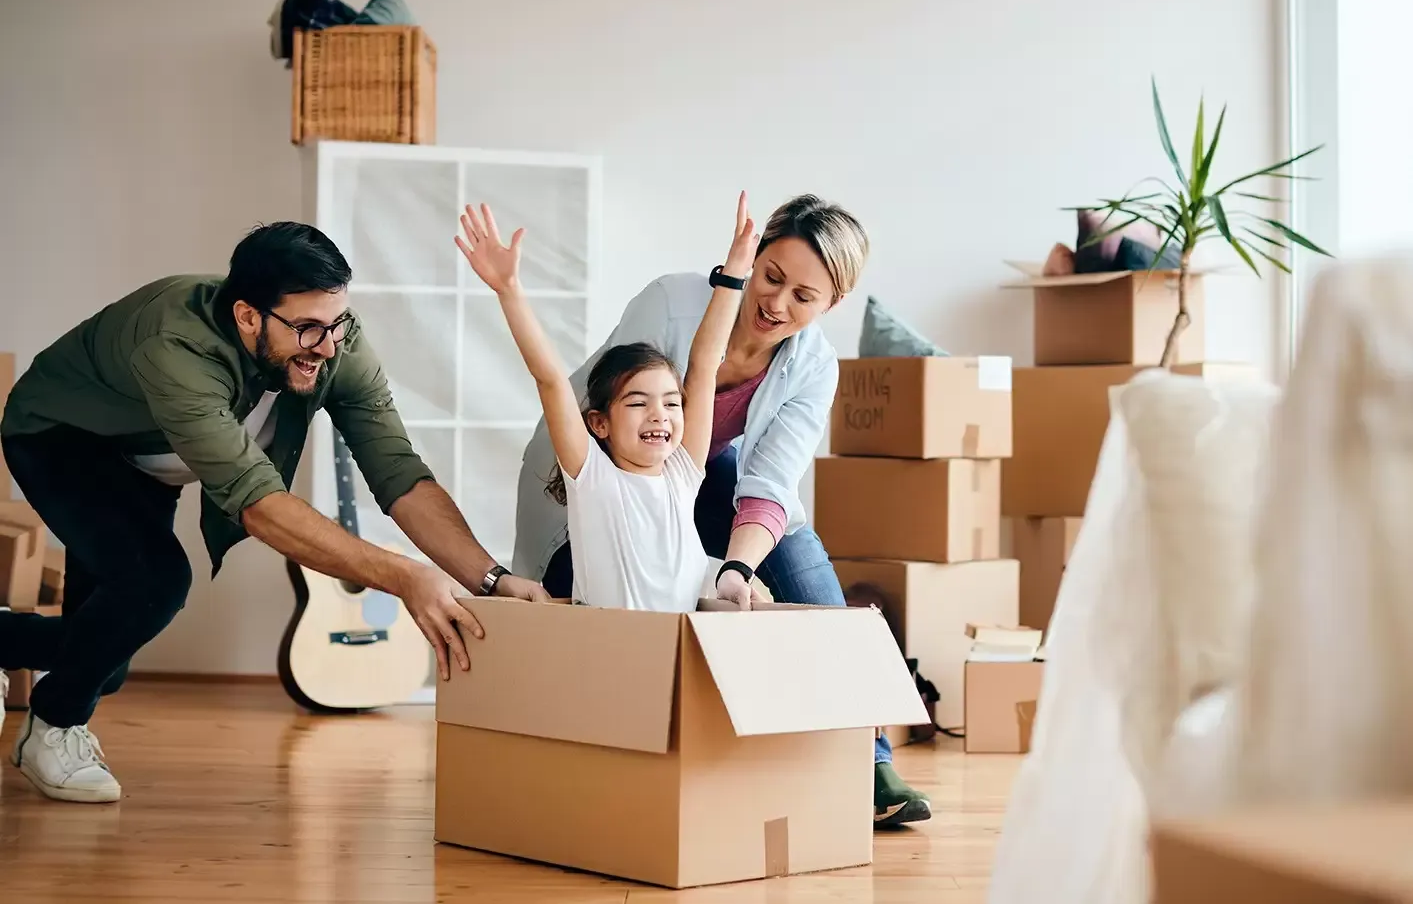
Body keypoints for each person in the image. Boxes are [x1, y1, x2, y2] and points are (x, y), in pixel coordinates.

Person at [0, 222, 548, 804]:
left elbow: (397, 471)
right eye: (308, 328)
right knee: (154, 585)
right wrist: (404, 577)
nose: (329, 346)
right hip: (64, 440)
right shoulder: (176, 346)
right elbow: (258, 504)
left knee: (105, 660)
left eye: (337, 322)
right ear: (247, 317)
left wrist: (492, 578)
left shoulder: (334, 342)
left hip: (149, 461)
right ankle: (52, 728)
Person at [512, 193, 933, 827]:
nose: (777, 304)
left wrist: (735, 570)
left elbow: (770, 480)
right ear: (753, 258)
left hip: (693, 472)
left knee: (795, 554)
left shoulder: (814, 365)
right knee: (589, 623)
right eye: (771, 277)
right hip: (600, 468)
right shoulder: (670, 303)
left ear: (833, 303)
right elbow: (615, 404)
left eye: (804, 296)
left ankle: (866, 760)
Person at [457, 199, 766, 611]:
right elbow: (550, 380)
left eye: (671, 403)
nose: (659, 415)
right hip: (612, 644)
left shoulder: (682, 474)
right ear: (599, 423)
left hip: (677, 643)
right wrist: (509, 290)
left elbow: (705, 366)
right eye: (638, 403)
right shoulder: (594, 479)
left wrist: (735, 274)